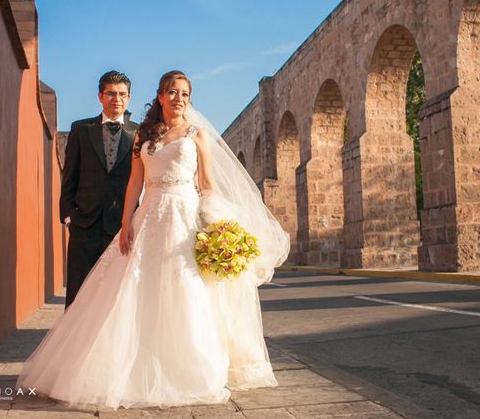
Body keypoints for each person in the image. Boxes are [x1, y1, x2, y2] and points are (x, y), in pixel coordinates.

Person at [16, 70, 290, 410]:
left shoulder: (197, 135)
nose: (179, 99)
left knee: (183, 292)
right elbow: (134, 183)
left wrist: (217, 225)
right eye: (172, 92)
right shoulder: (143, 136)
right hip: (149, 216)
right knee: (131, 288)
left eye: (185, 94)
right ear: (160, 96)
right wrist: (126, 222)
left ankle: (188, 369)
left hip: (184, 219)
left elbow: (206, 185)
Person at [59, 70, 139, 309]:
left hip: (123, 227)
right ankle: (74, 345)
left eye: (122, 94)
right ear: (100, 96)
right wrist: (68, 215)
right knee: (79, 293)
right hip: (84, 223)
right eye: (111, 94)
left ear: (129, 98)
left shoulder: (140, 132)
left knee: (116, 295)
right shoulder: (81, 129)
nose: (117, 99)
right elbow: (69, 175)